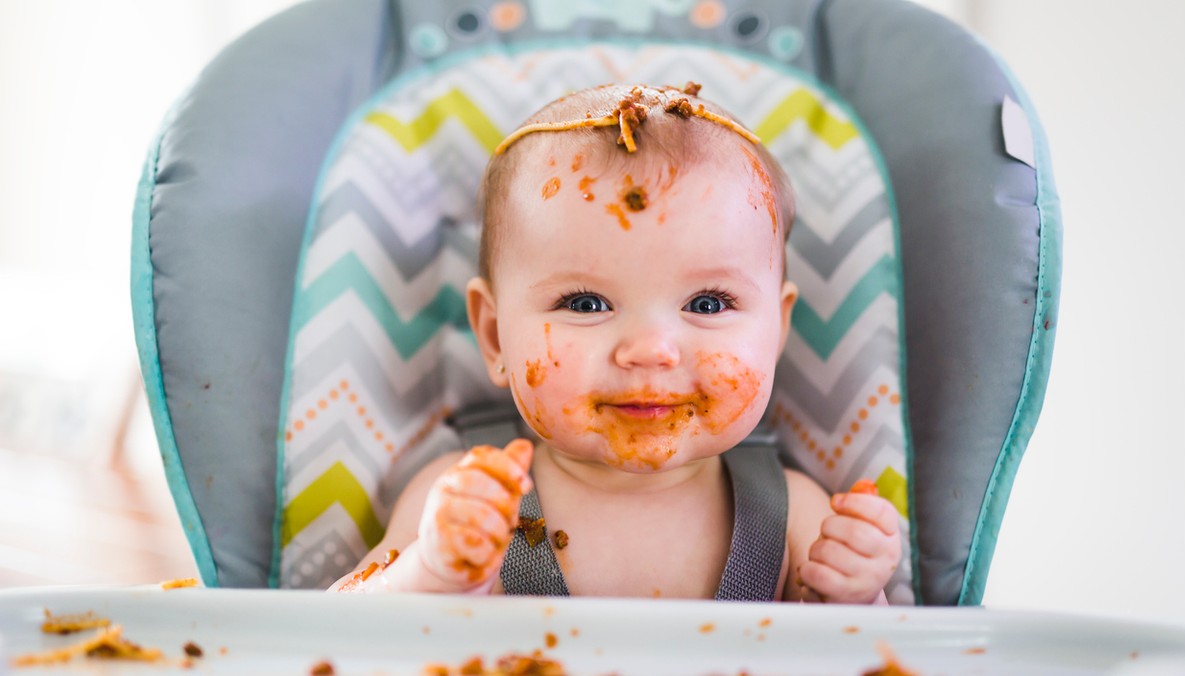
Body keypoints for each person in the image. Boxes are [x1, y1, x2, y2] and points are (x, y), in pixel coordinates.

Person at [330, 83, 901, 603]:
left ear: (776, 330)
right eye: (585, 304)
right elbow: (332, 639)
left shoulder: (795, 514)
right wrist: (429, 575)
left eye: (707, 304)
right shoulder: (465, 503)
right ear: (492, 334)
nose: (651, 350)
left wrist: (854, 597)